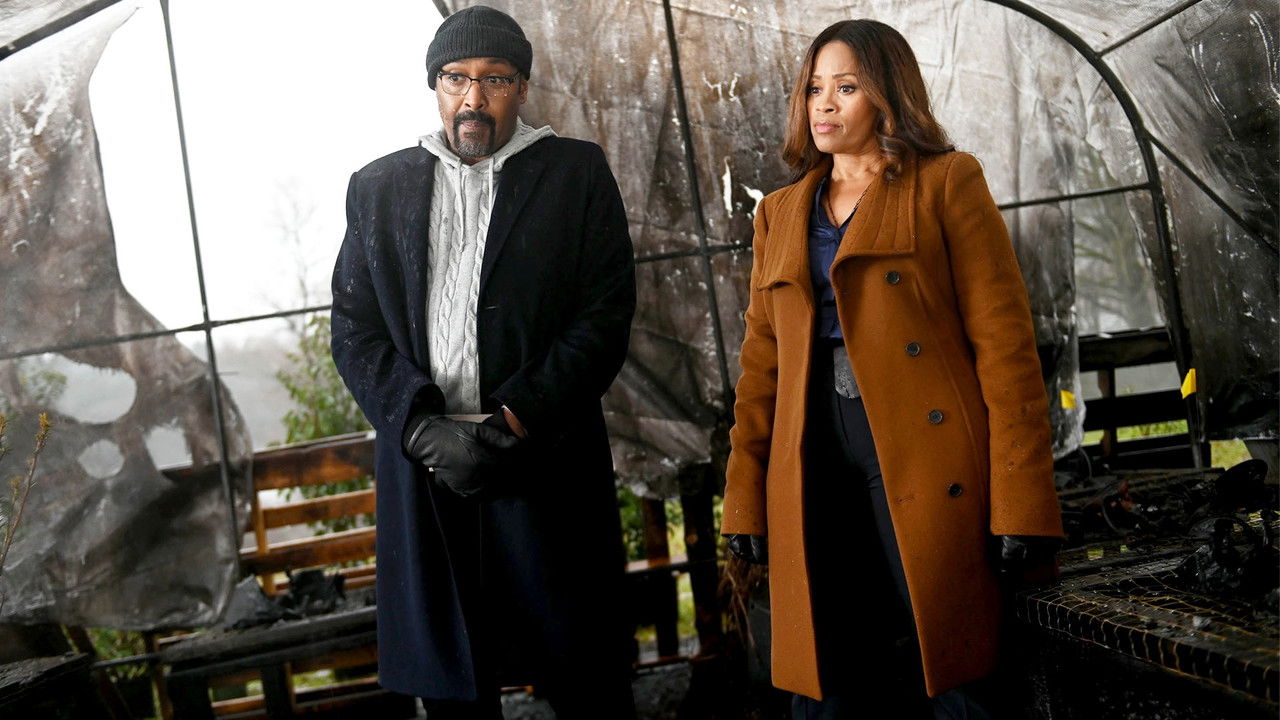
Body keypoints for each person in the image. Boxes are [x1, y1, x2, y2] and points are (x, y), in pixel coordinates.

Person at [719, 18, 1064, 719]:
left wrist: (1022, 498)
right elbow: (760, 369)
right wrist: (745, 495)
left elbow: (1006, 350)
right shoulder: (780, 213)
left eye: (846, 87)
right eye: (814, 88)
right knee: (829, 665)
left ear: (887, 94)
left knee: (957, 660)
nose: (823, 104)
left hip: (921, 445)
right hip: (810, 447)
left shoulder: (946, 182)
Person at [329, 6, 637, 718]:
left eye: (494, 79)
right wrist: (418, 427)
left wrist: (515, 420)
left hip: (543, 457)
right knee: (454, 687)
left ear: (522, 88)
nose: (474, 97)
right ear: (434, 86)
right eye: (456, 78)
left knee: (584, 679)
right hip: (426, 471)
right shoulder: (378, 188)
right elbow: (353, 328)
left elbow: (604, 316)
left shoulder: (574, 174)